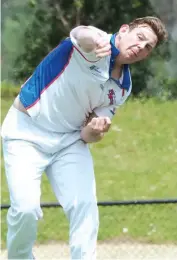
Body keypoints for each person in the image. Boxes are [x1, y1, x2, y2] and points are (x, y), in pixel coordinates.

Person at [1, 16, 167, 259]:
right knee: (25, 209)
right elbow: (79, 34)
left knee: (85, 209)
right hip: (26, 133)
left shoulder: (124, 86)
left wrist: (96, 130)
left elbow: (87, 135)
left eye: (147, 47)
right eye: (139, 38)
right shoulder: (92, 42)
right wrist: (94, 38)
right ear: (123, 30)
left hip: (69, 141)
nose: (140, 47)